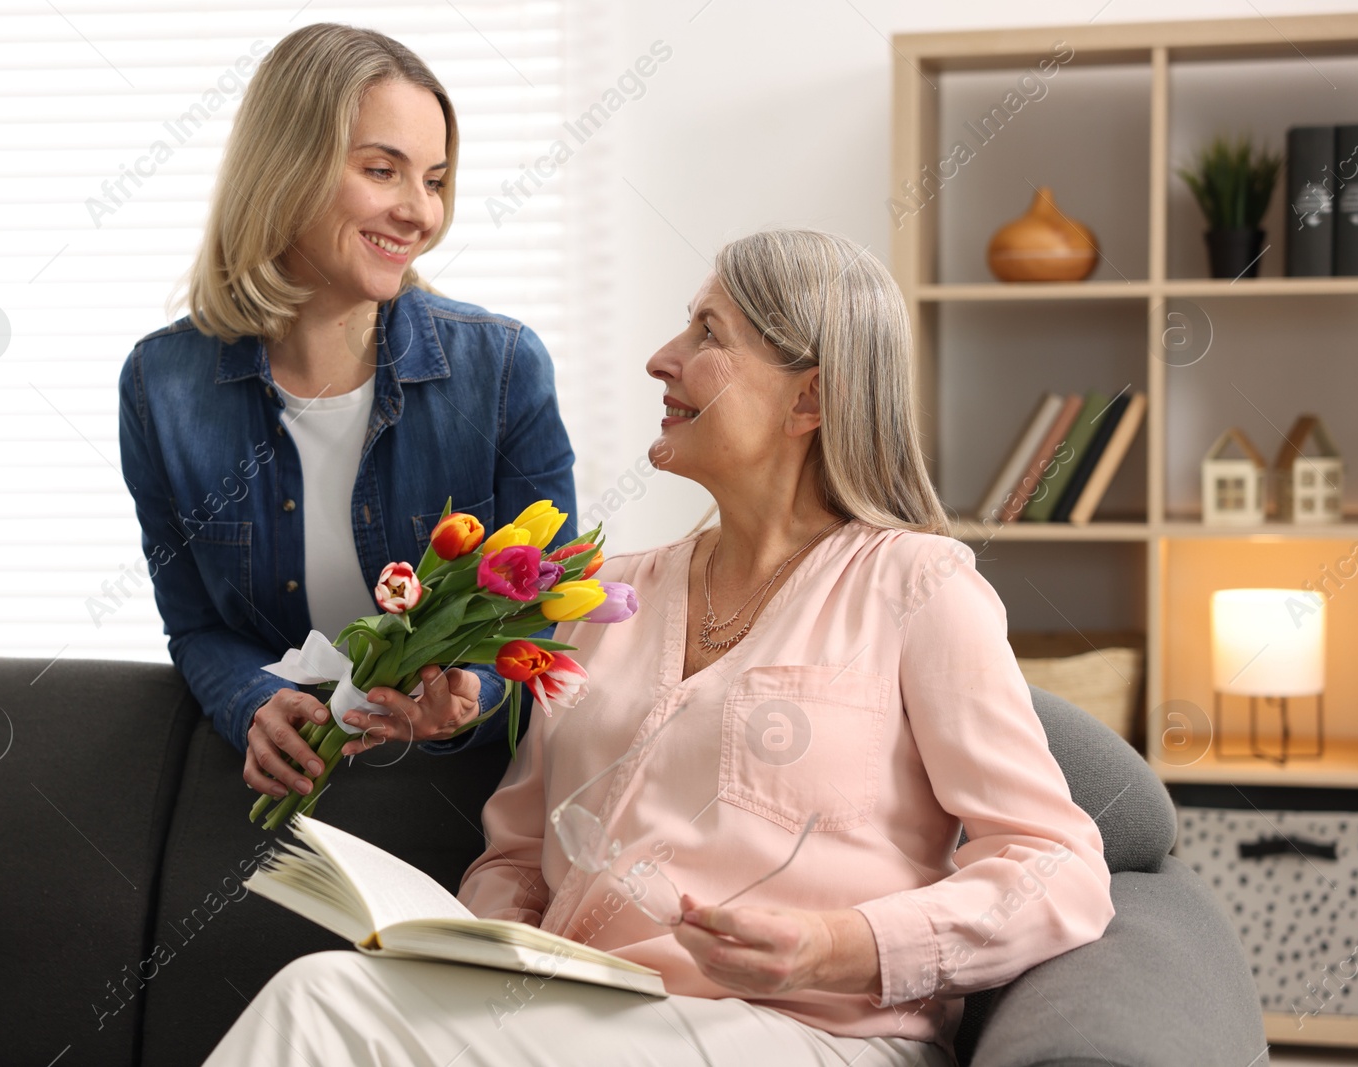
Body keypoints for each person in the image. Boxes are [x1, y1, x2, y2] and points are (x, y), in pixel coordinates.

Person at [201, 230, 1116, 1066]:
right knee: (323, 994)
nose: (661, 359)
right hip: (585, 1018)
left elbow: (1056, 864)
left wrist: (837, 943)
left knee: (325, 1011)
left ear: (813, 396)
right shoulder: (604, 601)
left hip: (804, 1032)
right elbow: (517, 857)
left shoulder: (917, 586)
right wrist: (478, 946)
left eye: (707, 332)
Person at [116, 24, 577, 801]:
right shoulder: (161, 386)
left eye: (433, 180)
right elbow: (197, 626)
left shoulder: (502, 369)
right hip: (280, 795)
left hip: (461, 798)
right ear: (284, 168)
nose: (420, 212)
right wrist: (252, 702)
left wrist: (470, 692)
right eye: (381, 170)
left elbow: (542, 615)